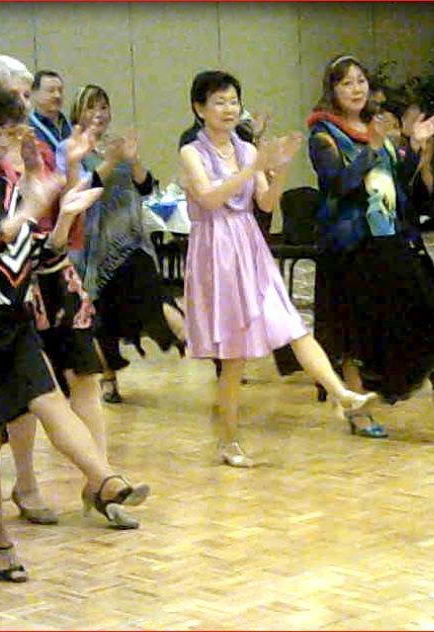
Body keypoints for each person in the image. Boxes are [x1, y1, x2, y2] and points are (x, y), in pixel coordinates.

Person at [0, 81, 149, 581]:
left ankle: (105, 480)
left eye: (10, 132)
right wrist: (28, 210)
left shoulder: (7, 188)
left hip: (12, 321)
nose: (4, 142)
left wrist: (62, 218)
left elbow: (36, 257)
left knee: (50, 400)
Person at [179, 70, 375, 467]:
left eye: (233, 100)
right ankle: (229, 441)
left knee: (292, 325)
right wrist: (252, 167)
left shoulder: (247, 150)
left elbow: (266, 203)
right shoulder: (192, 152)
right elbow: (210, 199)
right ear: (200, 109)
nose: (229, 109)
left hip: (250, 244)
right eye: (219, 102)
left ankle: (341, 394)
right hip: (216, 251)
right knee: (233, 357)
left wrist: (280, 167)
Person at [306, 54, 434, 436]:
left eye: (361, 81)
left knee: (425, 303)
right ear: (332, 90)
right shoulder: (323, 134)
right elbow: (338, 184)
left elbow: (397, 182)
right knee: (352, 332)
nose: (356, 89)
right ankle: (358, 412)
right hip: (349, 246)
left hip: (389, 237)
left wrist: (416, 147)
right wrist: (372, 149)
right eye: (346, 83)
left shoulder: (376, 127)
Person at [60, 84, 186, 405]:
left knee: (153, 290)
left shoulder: (115, 145)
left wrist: (132, 160)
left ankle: (185, 335)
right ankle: (109, 379)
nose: (99, 113)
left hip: (130, 239)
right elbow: (78, 191)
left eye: (103, 106)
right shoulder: (70, 148)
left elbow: (146, 187)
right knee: (101, 314)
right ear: (78, 112)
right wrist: (110, 162)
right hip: (90, 246)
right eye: (91, 107)